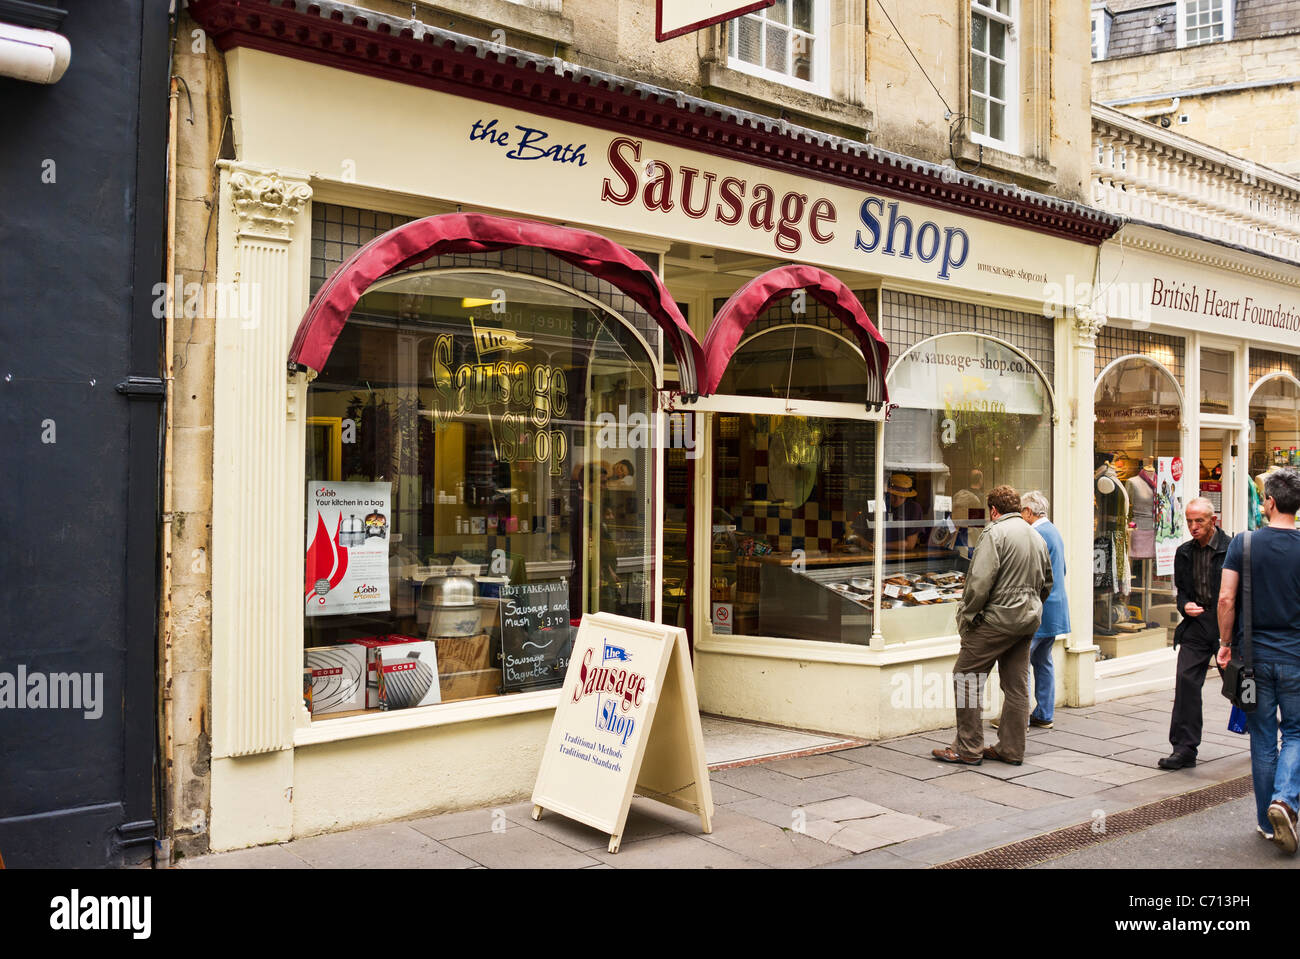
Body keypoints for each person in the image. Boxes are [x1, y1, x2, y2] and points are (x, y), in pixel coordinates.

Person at [932, 484, 1052, 766]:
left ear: (994, 510)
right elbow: (1047, 582)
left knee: (966, 676)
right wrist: (1031, 607)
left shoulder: (994, 533)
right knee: (1017, 685)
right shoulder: (1035, 536)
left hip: (995, 620)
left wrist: (968, 616)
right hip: (1026, 621)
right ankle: (1011, 749)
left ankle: (968, 747)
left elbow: (979, 583)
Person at [1216, 468, 1300, 853]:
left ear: (1269, 502)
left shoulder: (1243, 544)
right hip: (1297, 658)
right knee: (1297, 733)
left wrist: (1225, 643)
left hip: (1253, 660)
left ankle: (1268, 821)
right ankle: (1285, 800)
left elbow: (1226, 600)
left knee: (1263, 738)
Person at [1159, 497, 1230, 770]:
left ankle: (1265, 733)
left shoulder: (1231, 549)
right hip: (1196, 626)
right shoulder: (1184, 552)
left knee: (1239, 687)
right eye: (1189, 521)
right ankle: (1184, 749)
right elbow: (1182, 591)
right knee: (1186, 682)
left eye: (1199, 521)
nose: (1193, 526)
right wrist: (1184, 606)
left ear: (1213, 521)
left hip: (1226, 624)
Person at [1021, 490, 1068, 729]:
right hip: (1056, 609)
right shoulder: (1054, 532)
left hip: (1039, 609)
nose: (1021, 516)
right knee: (1043, 661)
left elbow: (1031, 575)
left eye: (1021, 511)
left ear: (1029, 512)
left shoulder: (1035, 534)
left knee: (1021, 664)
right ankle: (1043, 713)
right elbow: (1063, 571)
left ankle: (1018, 718)